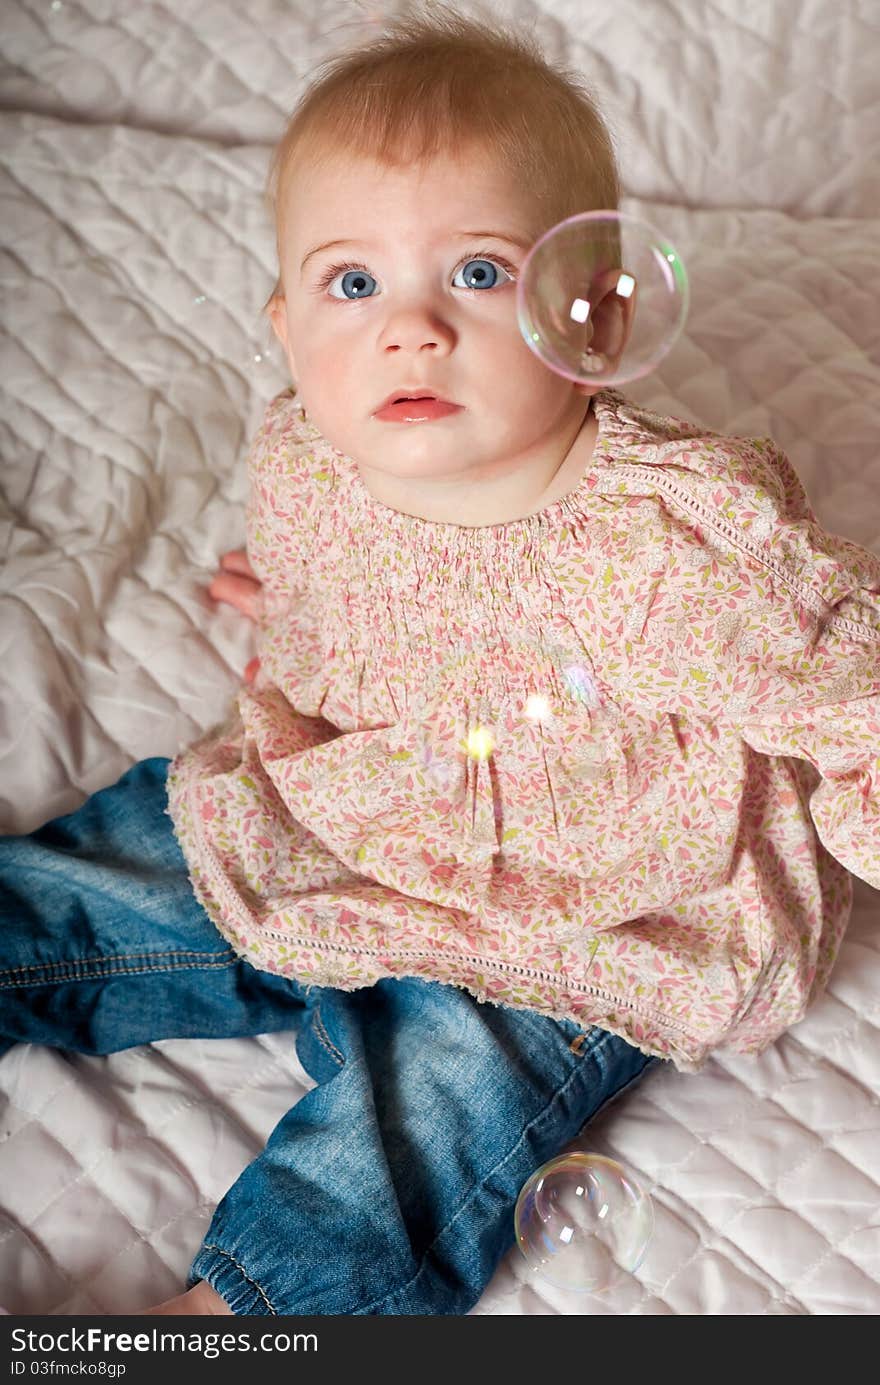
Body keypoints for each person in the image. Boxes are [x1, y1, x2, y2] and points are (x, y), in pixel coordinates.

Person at [2, 2, 878, 1317]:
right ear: (291, 324)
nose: (409, 330)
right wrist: (301, 600)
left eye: (476, 273)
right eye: (355, 285)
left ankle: (231, 1323)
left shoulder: (676, 541)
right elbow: (344, 586)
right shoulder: (312, 455)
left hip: (588, 911)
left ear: (593, 311)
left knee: (430, 1115)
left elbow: (849, 680)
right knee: (127, 870)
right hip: (353, 811)